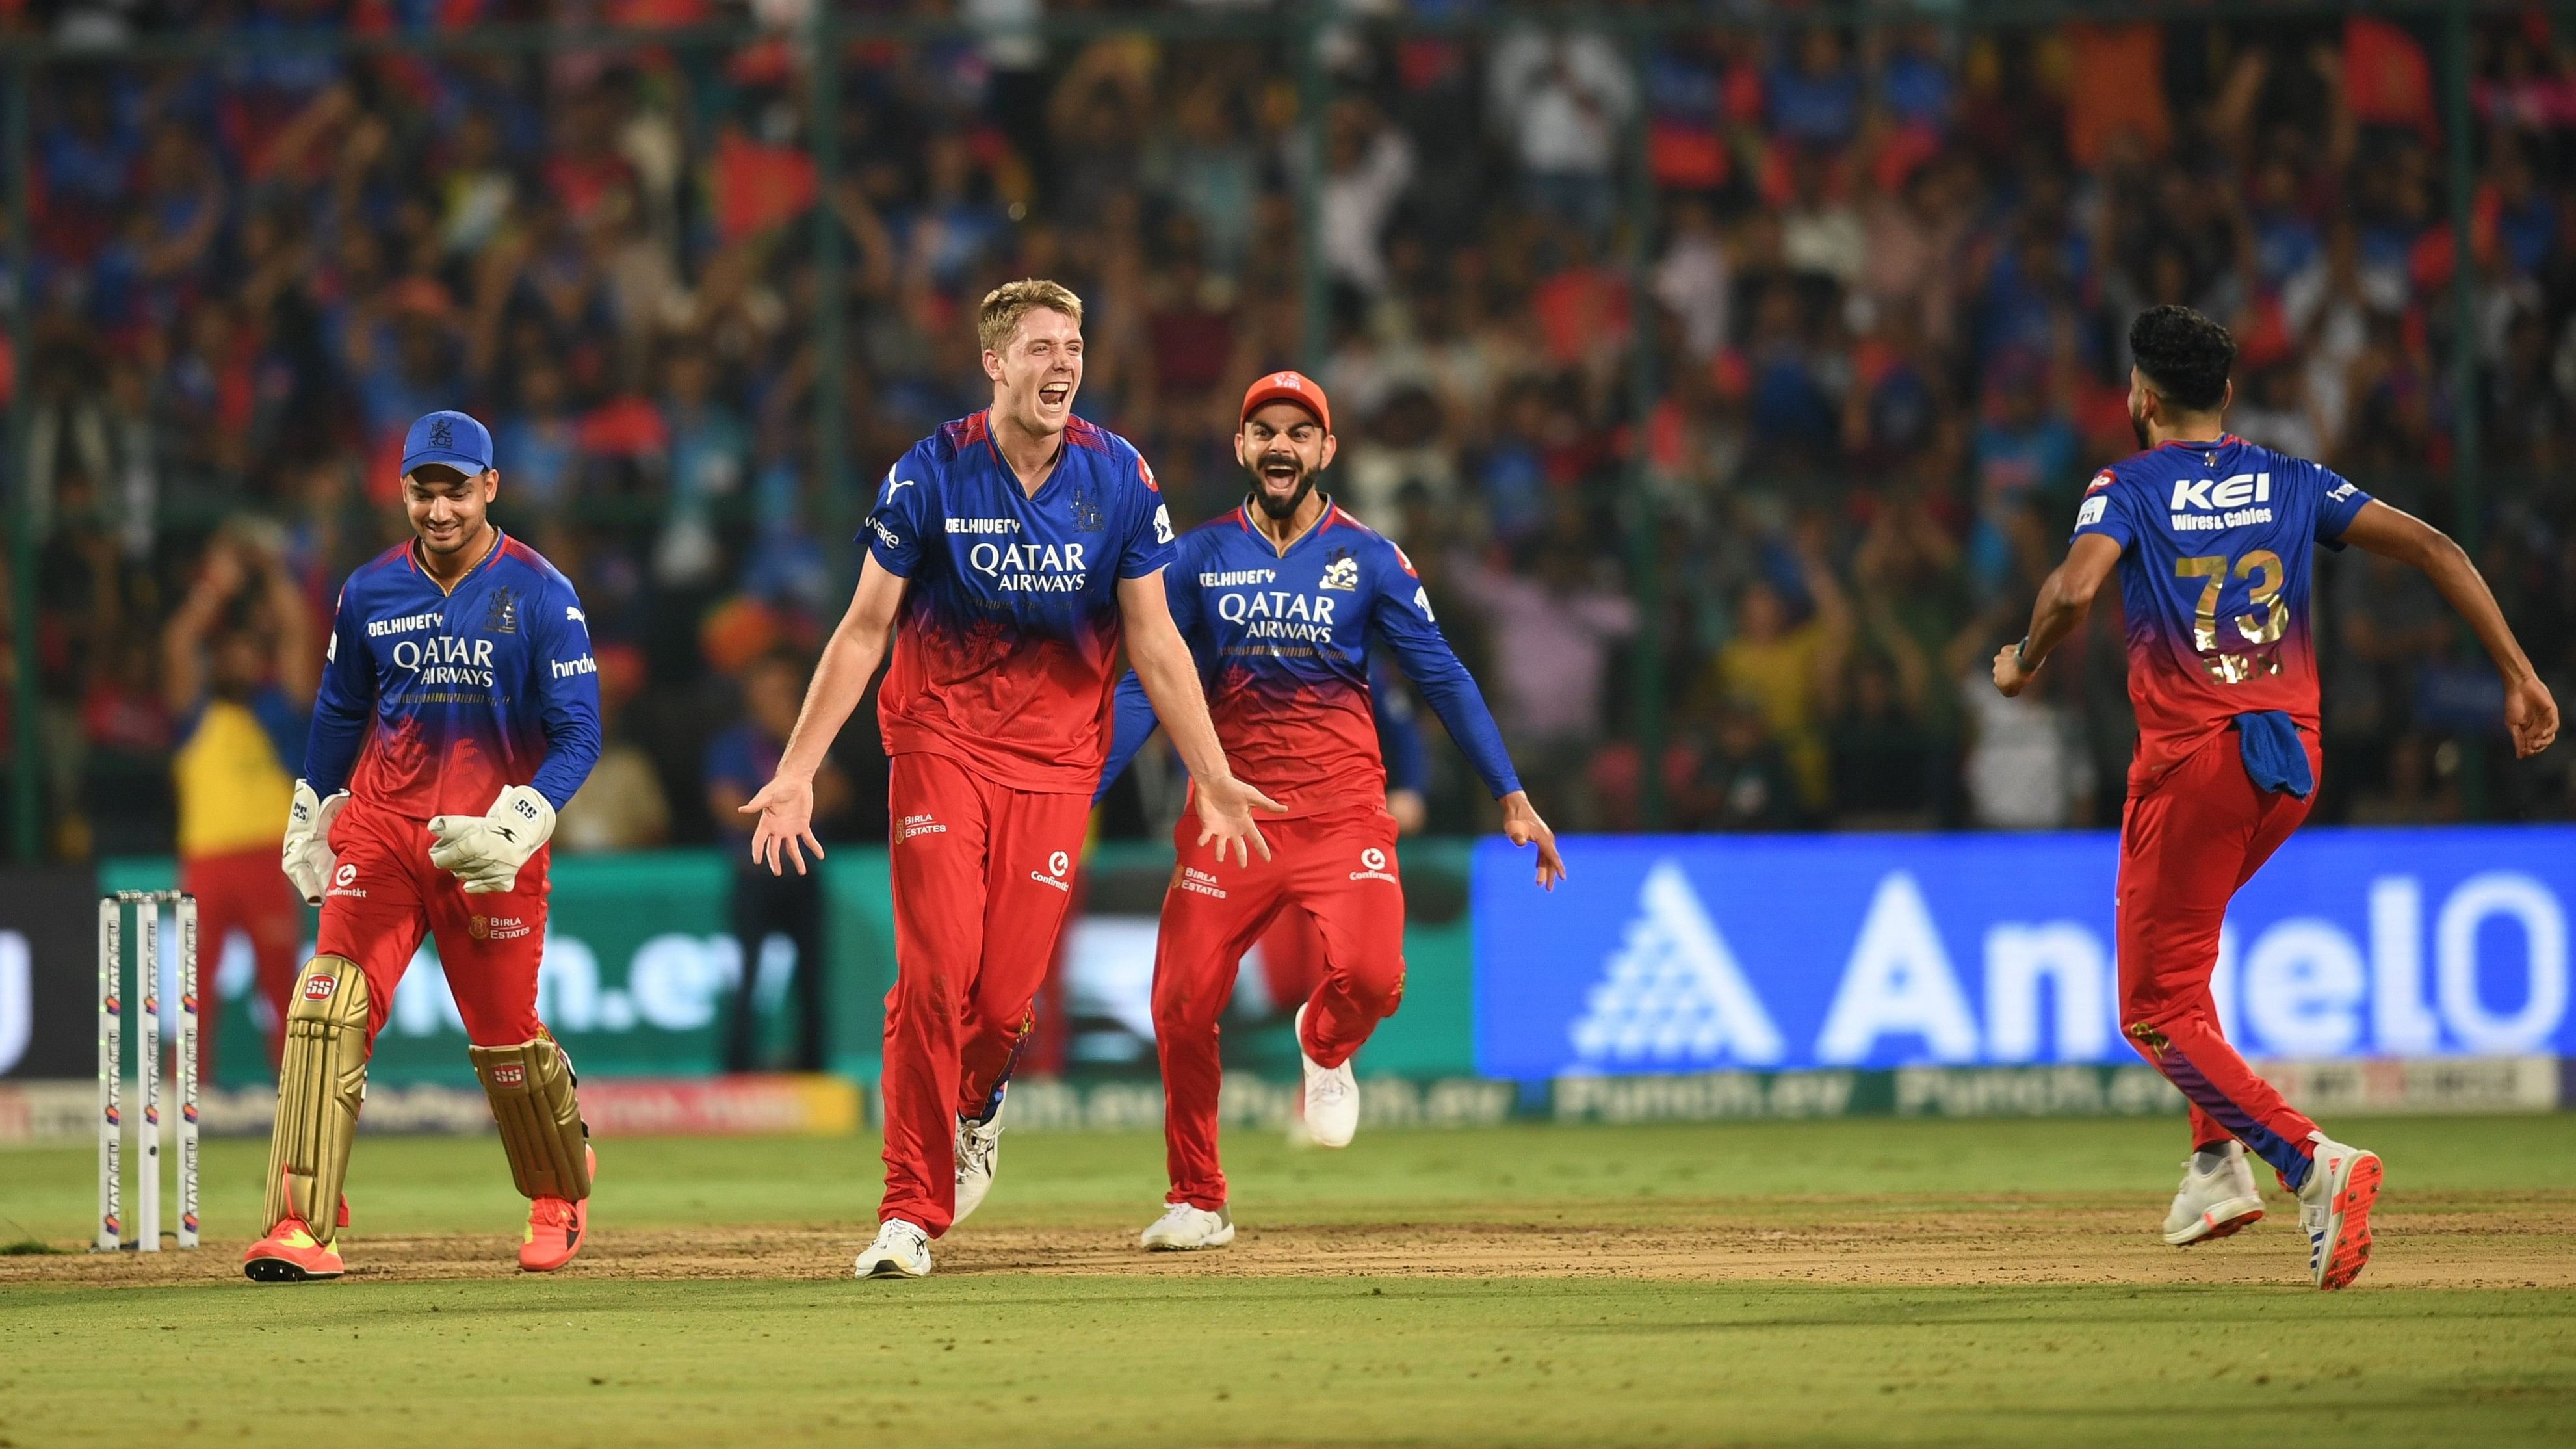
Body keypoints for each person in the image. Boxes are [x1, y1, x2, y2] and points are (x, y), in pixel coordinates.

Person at [1994, 306, 2560, 1291]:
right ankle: (2214, 1166)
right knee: (2184, 957)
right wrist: (2518, 673)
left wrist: (2021, 658)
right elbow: (2437, 549)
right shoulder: (2292, 478)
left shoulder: (2123, 486)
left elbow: (2073, 593)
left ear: (2140, 397)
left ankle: (2308, 1163)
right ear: (2223, 395)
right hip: (2288, 761)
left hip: (2192, 763)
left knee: (2150, 1005)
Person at [738, 280, 1277, 1281]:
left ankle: (977, 1107)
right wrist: (796, 771)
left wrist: (1212, 773)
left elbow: (1155, 643)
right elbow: (865, 629)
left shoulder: (1118, 474)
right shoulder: (931, 471)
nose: (1061, 363)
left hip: (1058, 765)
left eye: (1072, 345)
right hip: (938, 744)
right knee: (933, 978)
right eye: (1038, 347)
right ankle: (907, 1211)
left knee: (1000, 1006)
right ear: (993, 363)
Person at [1095, 371, 1563, 1251]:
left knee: (1374, 977)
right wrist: (1072, 792)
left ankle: (1322, 1041)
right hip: (1228, 820)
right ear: (1240, 447)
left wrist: (1510, 792)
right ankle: (1197, 1198)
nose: (1279, 445)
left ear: (1324, 451)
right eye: (1262, 430)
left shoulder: (1371, 559)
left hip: (1343, 814)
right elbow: (1144, 689)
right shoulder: (1193, 558)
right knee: (1180, 1002)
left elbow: (1441, 676)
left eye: (1297, 433)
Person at [253, 410, 605, 1283]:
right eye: (423, 490)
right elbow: (340, 708)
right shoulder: (369, 590)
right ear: (402, 491)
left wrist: (522, 823)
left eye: (456, 490)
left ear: (490, 487)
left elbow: (578, 737)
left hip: (489, 842)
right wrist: (311, 807)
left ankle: (559, 1189)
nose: (439, 509)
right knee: (325, 1005)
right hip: (382, 830)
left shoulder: (542, 592)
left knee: (505, 1043)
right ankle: (303, 1221)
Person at [162, 527, 315, 1073]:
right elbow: (179, 643)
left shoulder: (279, 712)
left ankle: (295, 1091)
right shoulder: (195, 714)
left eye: (250, 654)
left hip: (268, 860)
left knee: (282, 984)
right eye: (230, 654)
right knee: (195, 981)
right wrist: (216, 588)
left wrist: (274, 570)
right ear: (218, 661)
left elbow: (298, 632)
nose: (239, 662)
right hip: (206, 862)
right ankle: (188, 1089)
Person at [707, 647, 850, 1072]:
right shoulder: (733, 745)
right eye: (770, 689)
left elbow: (837, 791)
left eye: (787, 690)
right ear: (751, 693)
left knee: (811, 980)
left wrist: (796, 744)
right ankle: (739, 1069)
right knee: (745, 979)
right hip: (753, 875)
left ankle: (812, 1068)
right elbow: (726, 804)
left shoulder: (810, 743)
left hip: (803, 874)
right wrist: (790, 815)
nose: (778, 698)